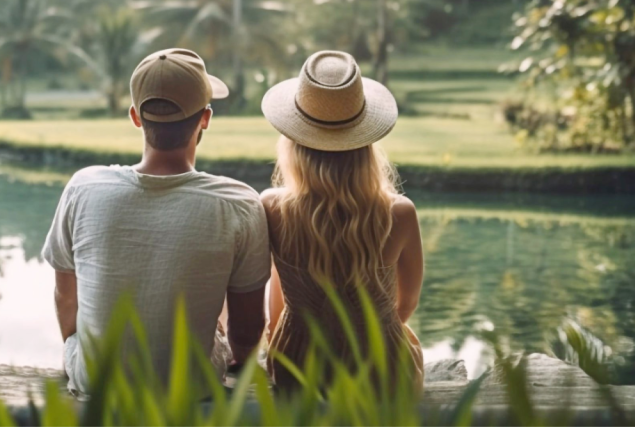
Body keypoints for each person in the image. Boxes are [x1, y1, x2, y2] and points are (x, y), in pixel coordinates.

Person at [42, 48, 270, 396]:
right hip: (191, 386)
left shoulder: (84, 187)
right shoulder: (239, 203)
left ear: (135, 116)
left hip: (96, 381)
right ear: (205, 118)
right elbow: (247, 331)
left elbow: (65, 297)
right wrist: (237, 360)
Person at [259, 50, 424, 392]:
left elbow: (277, 297)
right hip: (382, 371)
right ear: (365, 144)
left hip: (300, 370)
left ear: (293, 143)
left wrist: (281, 342)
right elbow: (406, 303)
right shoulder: (399, 212)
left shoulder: (272, 207)